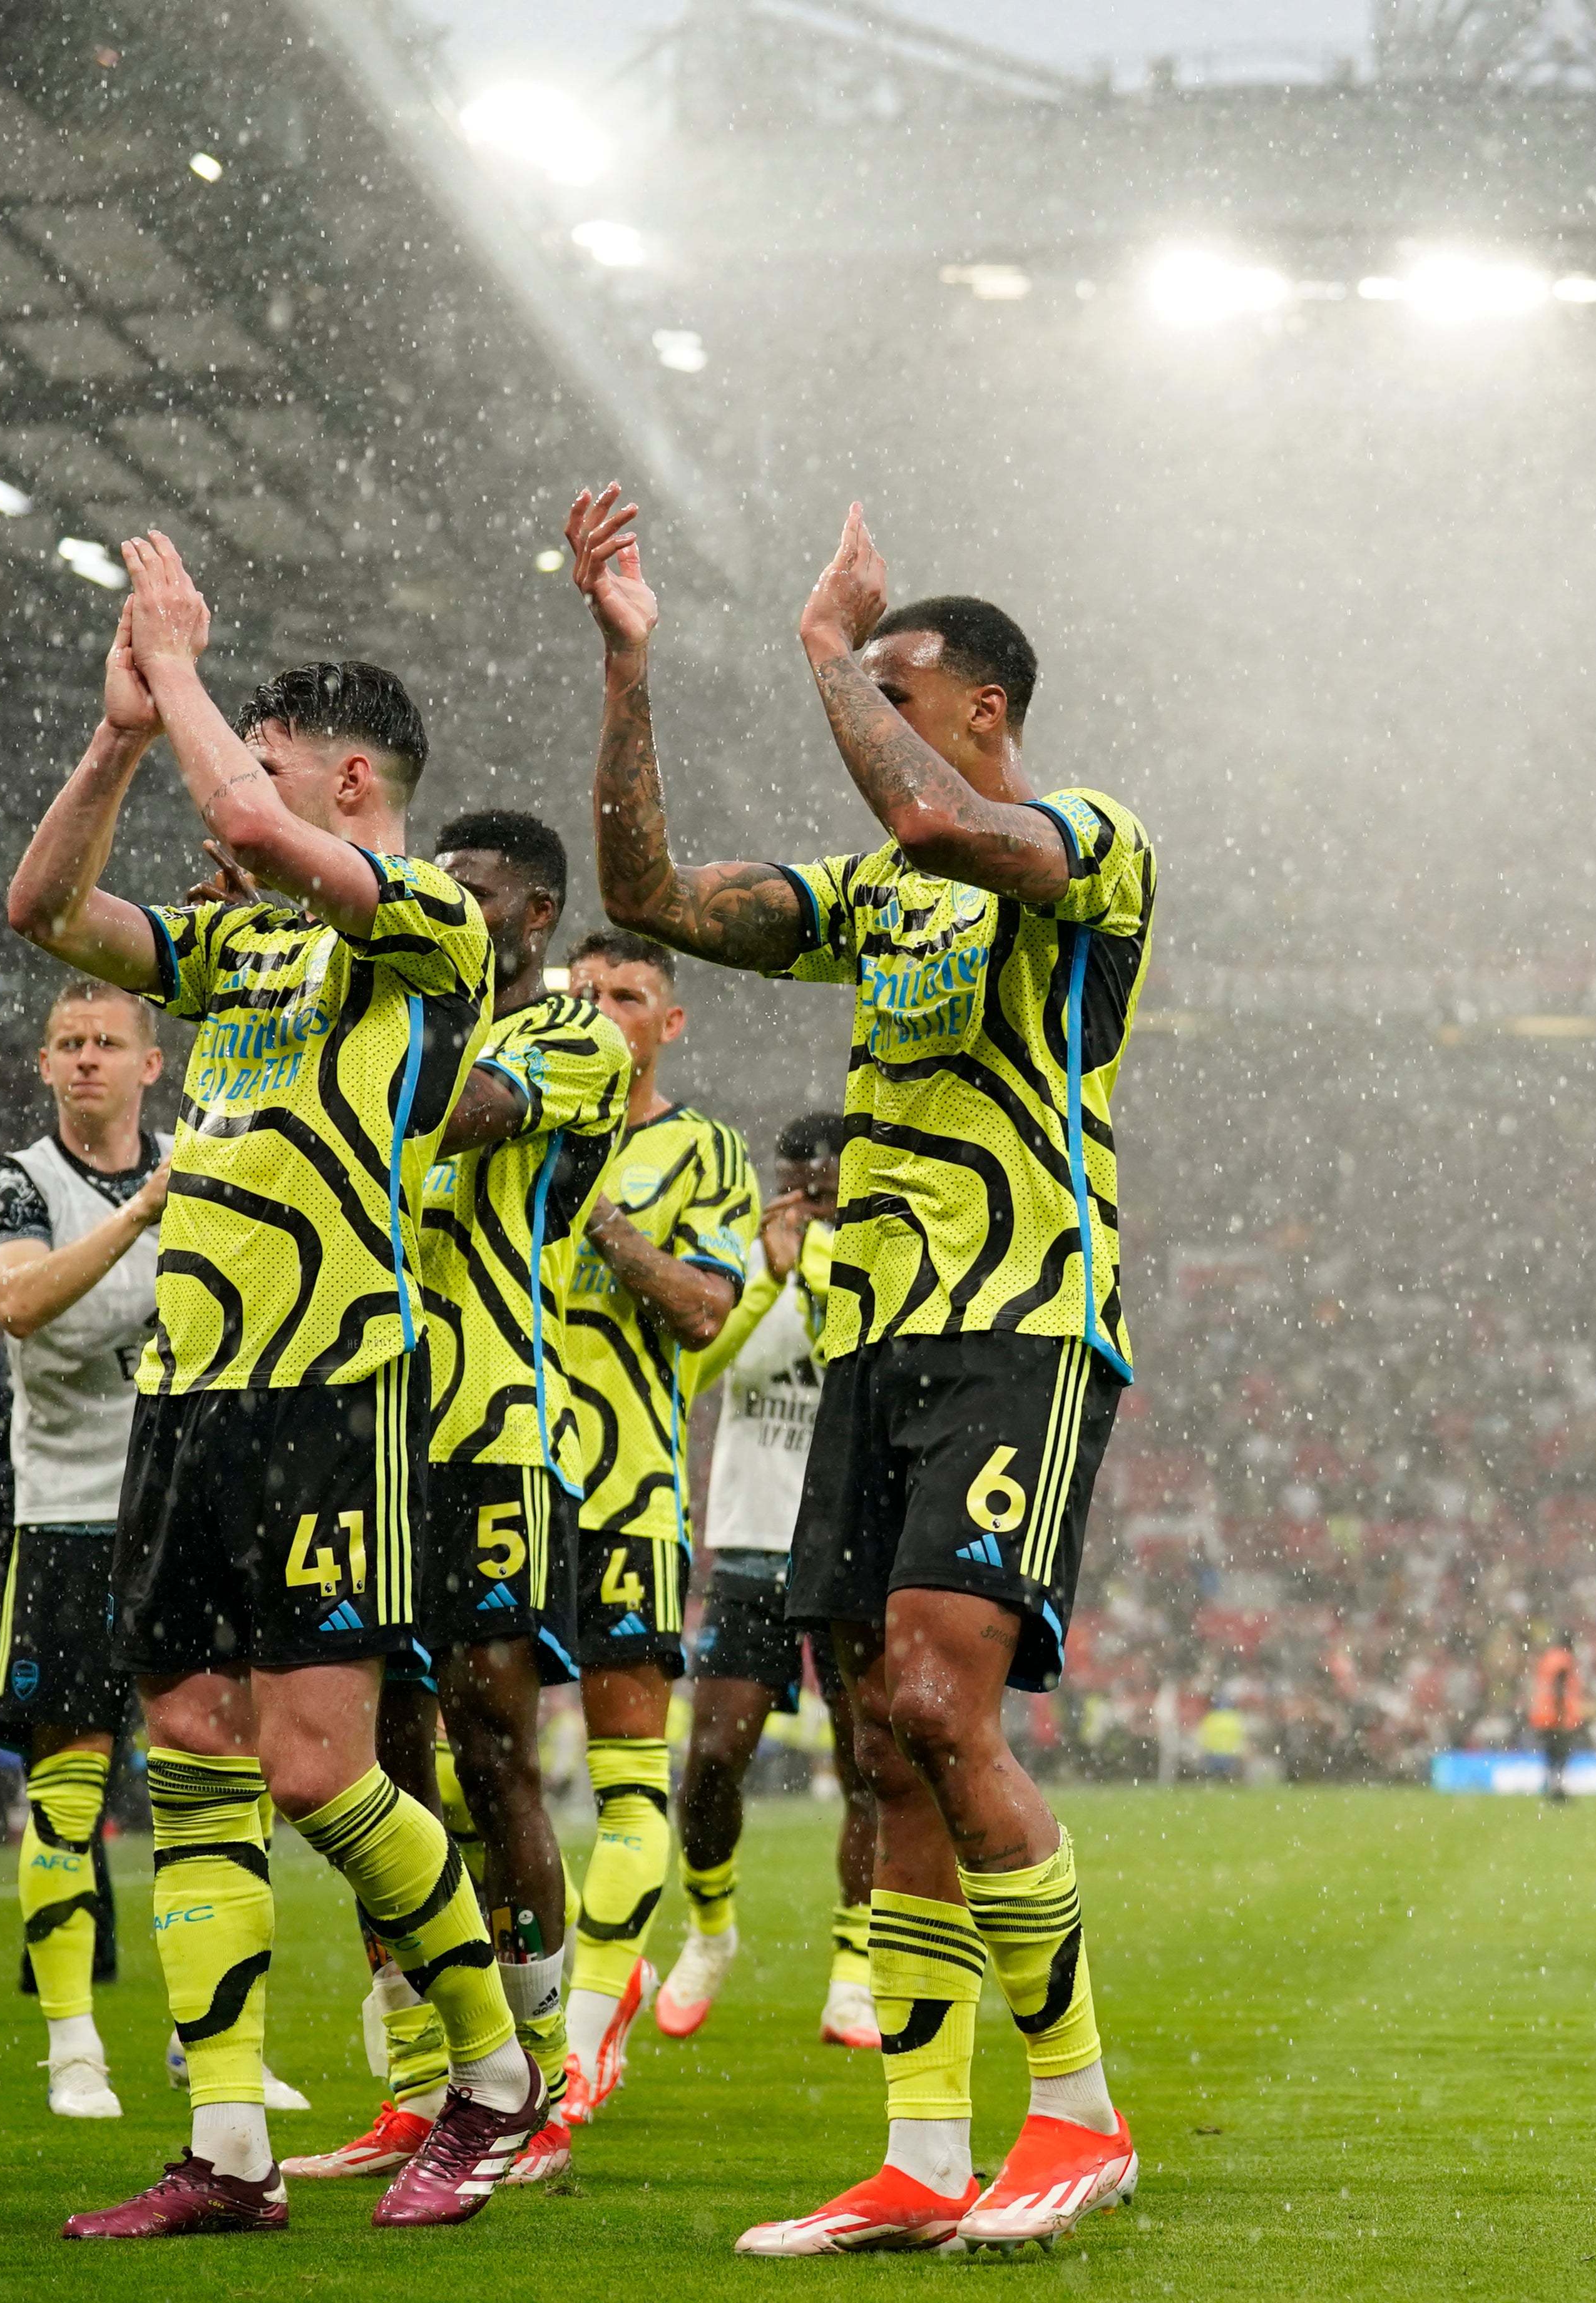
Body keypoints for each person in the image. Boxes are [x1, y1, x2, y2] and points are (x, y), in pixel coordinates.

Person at [570, 486, 1154, 2254]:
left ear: (982, 707)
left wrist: (828, 647)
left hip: (1022, 1321)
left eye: (899, 697)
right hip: (872, 1346)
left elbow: (925, 807)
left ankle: (1077, 2121)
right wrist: (630, 672)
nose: (866, 734)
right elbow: (647, 894)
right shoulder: (877, 898)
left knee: (937, 1709)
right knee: (886, 1753)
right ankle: (918, 2153)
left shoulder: (1085, 841)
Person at [6, 539, 539, 2237]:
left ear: (351, 775)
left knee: (320, 1769)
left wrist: (172, 671)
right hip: (189, 1394)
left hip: (331, 1389)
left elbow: (246, 824)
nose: (241, 768)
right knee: (188, 1755)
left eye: (271, 742)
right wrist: (114, 743)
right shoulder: (240, 956)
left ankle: (494, 2080)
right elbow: (42, 914)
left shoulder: (427, 922)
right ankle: (227, 2150)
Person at [285, 808, 631, 2188]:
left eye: (470, 895)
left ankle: (535, 2086)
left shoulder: (566, 1041)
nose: (445, 909)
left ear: (534, 916)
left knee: (494, 1750)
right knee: (383, 1762)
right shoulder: (390, 1013)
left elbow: (447, 1111)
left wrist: (328, 939)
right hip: (371, 1424)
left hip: (491, 1427)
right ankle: (422, 2083)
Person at [0, 978, 166, 2121]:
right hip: (71, 1517)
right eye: (67, 1044)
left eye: (106, 1043)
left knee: (204, 1790)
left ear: (150, 1065)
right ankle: (74, 2047)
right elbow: (22, 1304)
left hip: (179, 1519)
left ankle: (208, 2042)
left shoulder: (196, 1172)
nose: (86, 1059)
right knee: (67, 1803)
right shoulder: (20, 1183)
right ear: (45, 1067)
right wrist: (140, 1218)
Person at [554, 924, 753, 2122]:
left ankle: (580, 2038)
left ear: (668, 1022)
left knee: (629, 1786)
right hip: (494, 1480)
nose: (601, 1011)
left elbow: (701, 1309)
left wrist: (601, 1222)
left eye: (627, 994)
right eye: (582, 994)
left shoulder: (705, 1152)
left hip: (626, 1491)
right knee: (470, 1777)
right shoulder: (507, 1121)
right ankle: (473, 2045)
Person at [655, 1111, 887, 2055]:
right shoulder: (743, 1262)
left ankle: (856, 1975)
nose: (806, 1198)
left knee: (870, 1764)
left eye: (823, 1183)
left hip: (849, 1543)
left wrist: (820, 1267)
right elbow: (695, 1375)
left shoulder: (872, 1264)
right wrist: (766, 1274)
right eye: (794, 1181)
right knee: (712, 1759)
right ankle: (711, 1929)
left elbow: (859, 1371)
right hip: (754, 1543)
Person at [1527, 1632, 1585, 1803]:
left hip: (1544, 1716)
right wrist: (1561, 1714)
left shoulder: (1548, 1658)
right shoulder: (1564, 1660)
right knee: (1561, 1756)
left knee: (1551, 1755)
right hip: (1557, 1717)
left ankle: (1551, 1787)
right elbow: (1560, 1685)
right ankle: (1557, 1790)